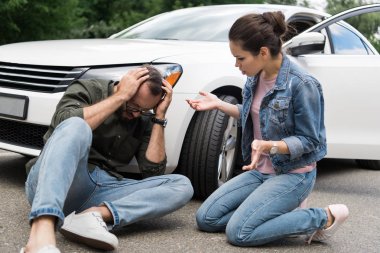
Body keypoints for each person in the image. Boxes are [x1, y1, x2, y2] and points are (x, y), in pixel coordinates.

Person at [187, 11, 348, 247]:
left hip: (293, 174)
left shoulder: (302, 84)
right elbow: (257, 114)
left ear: (263, 52)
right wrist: (219, 104)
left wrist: (269, 146)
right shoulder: (255, 77)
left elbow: (310, 140)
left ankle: (322, 217)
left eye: (240, 58)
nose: (236, 64)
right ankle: (271, 214)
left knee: (239, 233)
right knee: (207, 218)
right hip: (261, 172)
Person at [22, 65, 194, 253]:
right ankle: (42, 232)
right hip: (58, 179)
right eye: (133, 105)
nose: (136, 114)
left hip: (102, 190)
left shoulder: (143, 118)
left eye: (144, 110)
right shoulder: (88, 89)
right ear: (124, 84)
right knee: (76, 124)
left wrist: (159, 117)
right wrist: (120, 97)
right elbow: (64, 128)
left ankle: (91, 217)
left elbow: (153, 172)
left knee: (182, 185)